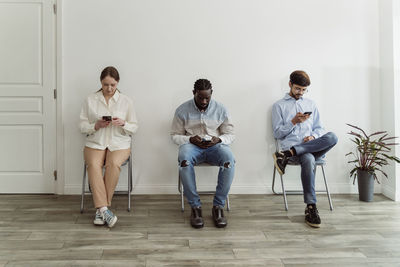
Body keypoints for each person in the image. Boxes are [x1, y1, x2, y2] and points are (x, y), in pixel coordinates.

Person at [271, 70, 338, 228]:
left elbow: (320, 129)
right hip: (296, 148)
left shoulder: (311, 104)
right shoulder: (278, 106)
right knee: (308, 158)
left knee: (333, 136)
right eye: (297, 89)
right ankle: (311, 207)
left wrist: (313, 137)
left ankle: (286, 155)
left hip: (311, 146)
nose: (300, 93)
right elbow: (277, 133)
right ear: (290, 85)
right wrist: (293, 121)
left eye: (303, 90)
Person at [171, 79, 235, 229]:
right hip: (192, 146)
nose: (204, 101)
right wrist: (189, 139)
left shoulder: (221, 109)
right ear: (194, 93)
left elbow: (231, 134)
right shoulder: (182, 110)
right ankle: (195, 208)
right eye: (201, 97)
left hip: (215, 146)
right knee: (184, 160)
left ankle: (218, 207)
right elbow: (174, 135)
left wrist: (218, 139)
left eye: (208, 97)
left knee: (229, 160)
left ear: (212, 93)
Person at [79, 66, 138, 228]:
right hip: (95, 142)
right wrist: (95, 125)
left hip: (119, 143)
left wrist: (123, 123)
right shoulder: (90, 99)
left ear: (117, 82)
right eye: (106, 84)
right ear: (101, 82)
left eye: (112, 84)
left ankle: (100, 210)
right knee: (93, 165)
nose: (109, 88)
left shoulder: (126, 101)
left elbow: (135, 127)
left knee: (113, 164)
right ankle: (104, 209)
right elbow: (82, 126)